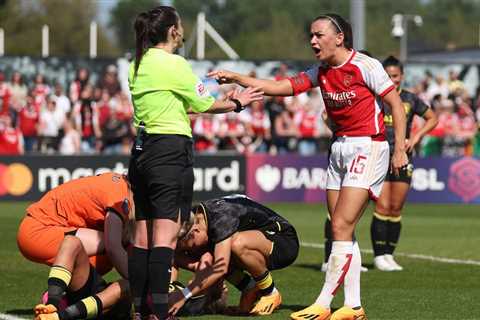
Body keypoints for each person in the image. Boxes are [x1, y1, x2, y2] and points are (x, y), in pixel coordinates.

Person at [208, 13, 408, 320]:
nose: (312, 41)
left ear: (339, 37)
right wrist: (237, 77)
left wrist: (399, 151)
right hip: (339, 148)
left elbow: (395, 104)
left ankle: (324, 303)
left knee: (341, 226)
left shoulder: (365, 66)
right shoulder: (321, 71)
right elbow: (281, 86)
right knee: (342, 227)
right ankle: (353, 306)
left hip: (368, 146)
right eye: (311, 36)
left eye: (319, 35)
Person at [127, 6, 263, 320]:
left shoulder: (136, 63)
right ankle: (159, 311)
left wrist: (213, 93)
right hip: (169, 152)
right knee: (164, 236)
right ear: (173, 31)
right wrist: (238, 102)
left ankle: (140, 309)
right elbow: (202, 102)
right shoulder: (175, 63)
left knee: (142, 237)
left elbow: (179, 97)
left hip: (141, 151)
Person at [169, 194, 299, 316]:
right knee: (216, 254)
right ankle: (250, 288)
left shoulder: (221, 217)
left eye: (188, 246)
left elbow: (221, 268)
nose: (190, 250)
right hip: (256, 238)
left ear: (196, 231)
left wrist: (184, 294)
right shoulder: (194, 218)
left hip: (283, 241)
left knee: (235, 245)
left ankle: (270, 292)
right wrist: (170, 286)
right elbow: (175, 255)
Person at [370, 56, 438, 271]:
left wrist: (416, 138)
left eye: (396, 76)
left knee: (396, 207)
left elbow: (433, 118)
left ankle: (389, 255)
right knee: (382, 206)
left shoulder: (410, 99)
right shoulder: (375, 97)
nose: (392, 80)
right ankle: (379, 255)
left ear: (402, 76)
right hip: (379, 155)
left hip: (403, 156)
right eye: (388, 76)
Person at [17, 172, 134, 278]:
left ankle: (72, 294)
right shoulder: (119, 195)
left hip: (37, 228)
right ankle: (60, 294)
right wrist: (139, 284)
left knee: (112, 250)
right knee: (115, 244)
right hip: (38, 231)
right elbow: (114, 248)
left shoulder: (118, 183)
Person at [33, 235, 131, 320]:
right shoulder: (129, 219)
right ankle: (52, 306)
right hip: (99, 298)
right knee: (71, 241)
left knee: (128, 285)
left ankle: (61, 316)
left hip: (118, 311)